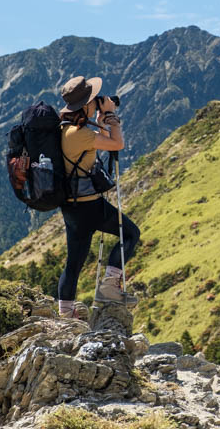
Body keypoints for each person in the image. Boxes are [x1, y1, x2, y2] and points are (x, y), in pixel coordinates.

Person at [56, 75, 140, 319]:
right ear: (85, 105)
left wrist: (100, 119)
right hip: (90, 206)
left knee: (74, 264)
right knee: (131, 234)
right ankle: (110, 288)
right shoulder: (80, 134)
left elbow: (97, 139)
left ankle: (65, 316)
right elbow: (117, 144)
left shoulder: (64, 129)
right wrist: (112, 118)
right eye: (93, 100)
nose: (96, 103)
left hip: (71, 206)